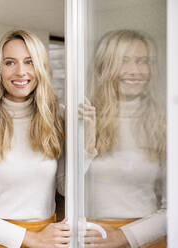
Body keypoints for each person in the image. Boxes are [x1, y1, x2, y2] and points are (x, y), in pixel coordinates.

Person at [0, 29, 71, 248]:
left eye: (29, 62)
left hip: (48, 238)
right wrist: (32, 239)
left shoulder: (57, 119)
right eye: (10, 63)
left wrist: (89, 147)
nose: (20, 71)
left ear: (41, 68)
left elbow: (66, 187)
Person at [79, 29, 166, 248]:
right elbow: (64, 187)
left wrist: (122, 237)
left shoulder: (164, 123)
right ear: (105, 66)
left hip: (147, 239)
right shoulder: (85, 116)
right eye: (124, 61)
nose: (136, 71)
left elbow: (174, 206)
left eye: (143, 61)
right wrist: (87, 143)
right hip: (93, 238)